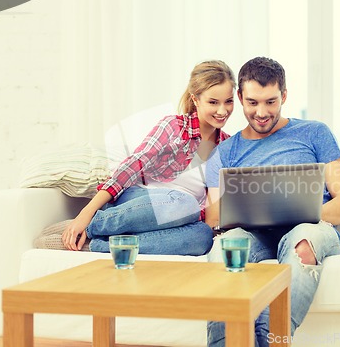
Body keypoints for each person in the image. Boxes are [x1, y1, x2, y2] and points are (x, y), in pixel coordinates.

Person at [205, 57, 340, 347]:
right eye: (252, 103)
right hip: (254, 235)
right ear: (239, 98)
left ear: (284, 96)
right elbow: (214, 217)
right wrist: (254, 210)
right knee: (226, 246)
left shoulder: (314, 133)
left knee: (303, 239)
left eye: (271, 102)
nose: (261, 113)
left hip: (310, 228)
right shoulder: (224, 152)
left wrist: (295, 212)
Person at [61, 60, 236, 255]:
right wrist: (85, 214)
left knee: (202, 236)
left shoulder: (226, 148)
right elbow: (133, 166)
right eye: (213, 102)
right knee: (184, 203)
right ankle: (92, 225)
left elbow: (212, 209)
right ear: (195, 100)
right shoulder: (174, 127)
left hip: (180, 216)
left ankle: (96, 245)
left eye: (228, 101)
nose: (223, 111)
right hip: (141, 200)